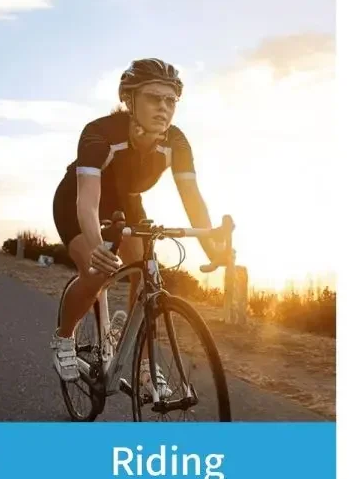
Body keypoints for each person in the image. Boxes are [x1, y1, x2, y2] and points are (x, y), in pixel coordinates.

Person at [49, 60, 228, 392]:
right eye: (153, 98)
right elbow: (87, 200)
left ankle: (145, 364)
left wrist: (213, 249)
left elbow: (193, 199)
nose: (163, 108)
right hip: (78, 201)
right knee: (96, 272)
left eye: (170, 100)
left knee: (145, 269)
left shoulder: (176, 142)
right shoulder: (100, 134)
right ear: (129, 100)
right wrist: (96, 247)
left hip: (126, 202)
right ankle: (63, 338)